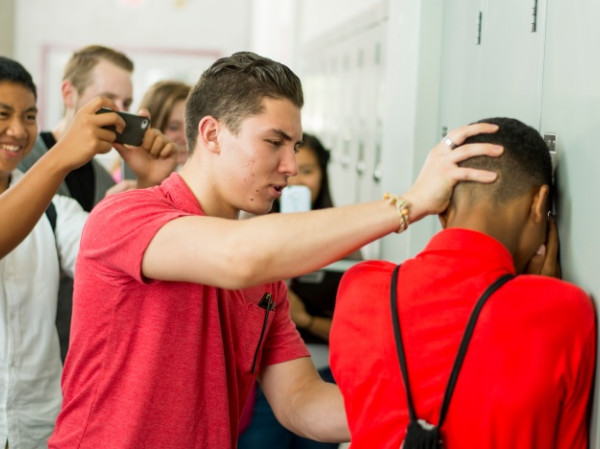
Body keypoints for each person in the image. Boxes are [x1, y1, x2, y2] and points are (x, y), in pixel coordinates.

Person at [48, 51, 503, 449]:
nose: (290, 168)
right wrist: (411, 203)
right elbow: (237, 256)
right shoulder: (125, 217)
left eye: (296, 146)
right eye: (273, 143)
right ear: (210, 134)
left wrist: (438, 403)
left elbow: (302, 402)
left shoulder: (265, 274)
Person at [329, 117, 596, 449]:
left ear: (441, 210)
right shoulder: (565, 311)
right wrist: (538, 295)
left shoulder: (359, 289)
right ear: (539, 204)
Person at [0, 56, 163, 449]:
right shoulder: (52, 180)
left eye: (29, 116)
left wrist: (151, 185)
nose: (18, 131)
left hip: (36, 427)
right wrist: (64, 153)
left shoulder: (54, 210)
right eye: (3, 114)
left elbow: (127, 255)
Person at [17, 44, 177, 360]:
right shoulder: (21, 163)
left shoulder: (105, 179)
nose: (120, 112)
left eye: (126, 102)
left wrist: (147, 184)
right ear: (68, 93)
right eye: (108, 99)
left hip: (77, 352)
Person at [238, 132, 358, 449]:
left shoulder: (345, 239)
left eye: (309, 171)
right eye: (293, 171)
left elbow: (354, 335)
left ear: (323, 174)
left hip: (325, 372)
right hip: (263, 375)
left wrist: (303, 319)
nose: (299, 180)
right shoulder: (249, 234)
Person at [112, 79, 191, 181]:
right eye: (174, 127)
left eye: (190, 126)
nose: (186, 138)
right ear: (151, 126)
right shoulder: (123, 182)